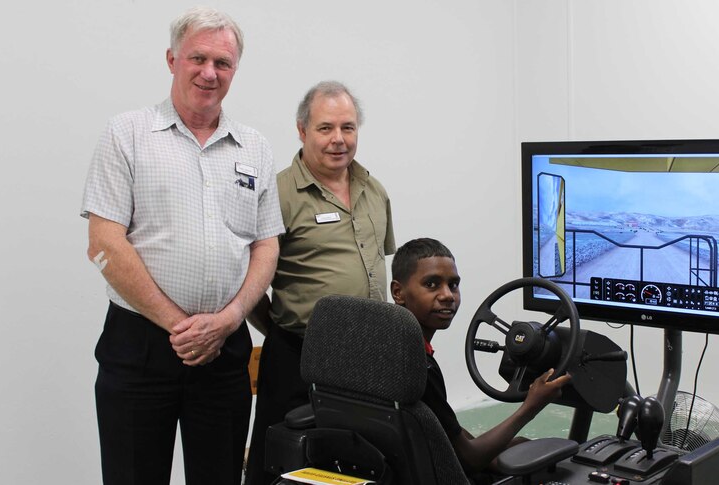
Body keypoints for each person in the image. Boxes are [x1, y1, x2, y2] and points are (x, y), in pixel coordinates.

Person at [80, 7, 283, 485]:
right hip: (140, 348)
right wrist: (181, 328)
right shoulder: (127, 134)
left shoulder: (253, 147)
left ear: (235, 69)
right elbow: (104, 242)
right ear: (172, 59)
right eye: (198, 58)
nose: (209, 73)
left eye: (223, 63)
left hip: (224, 351)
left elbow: (266, 246)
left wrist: (228, 322)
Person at [244, 81, 396, 485]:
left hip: (366, 361)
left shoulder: (373, 190)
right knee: (282, 467)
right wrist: (279, 329)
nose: (338, 140)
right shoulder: (277, 194)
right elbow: (248, 282)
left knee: (359, 467)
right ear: (302, 130)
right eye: (325, 128)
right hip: (298, 359)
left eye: (348, 128)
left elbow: (379, 266)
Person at [390, 238, 571, 480]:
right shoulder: (420, 366)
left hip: (404, 471)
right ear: (398, 292)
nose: (447, 296)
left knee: (518, 444)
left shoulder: (390, 350)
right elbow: (470, 460)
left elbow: (440, 427)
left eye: (453, 285)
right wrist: (531, 405)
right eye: (431, 284)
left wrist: (495, 448)